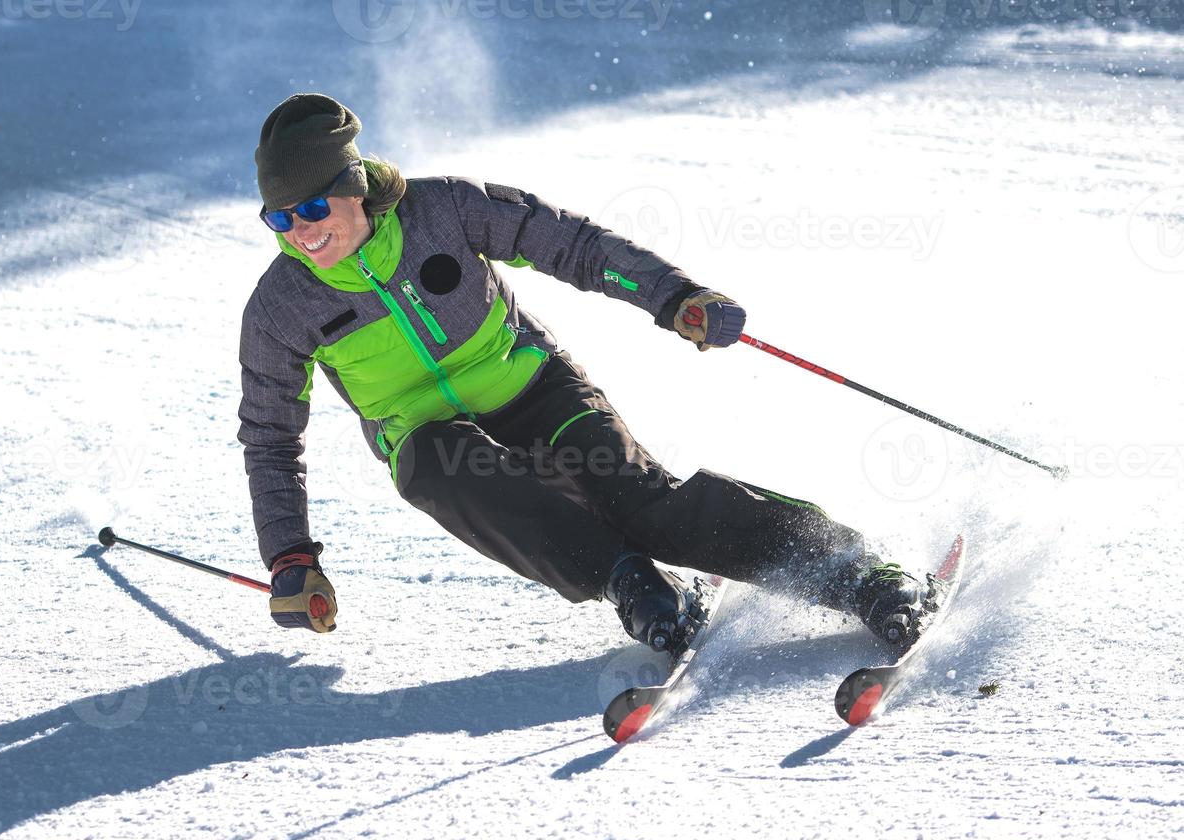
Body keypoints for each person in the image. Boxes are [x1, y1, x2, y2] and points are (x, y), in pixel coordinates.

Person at [238, 93, 926, 655]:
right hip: (426, 435)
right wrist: (290, 558)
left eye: (313, 208)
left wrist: (673, 296)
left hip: (532, 387)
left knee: (645, 507)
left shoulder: (443, 209)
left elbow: (569, 244)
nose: (301, 230)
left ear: (355, 187)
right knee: (432, 467)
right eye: (280, 217)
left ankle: (856, 571)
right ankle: (631, 582)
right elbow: (271, 439)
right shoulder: (280, 308)